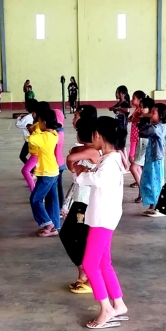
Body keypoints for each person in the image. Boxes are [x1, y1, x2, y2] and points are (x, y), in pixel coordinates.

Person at [73, 116, 129, 329]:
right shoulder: (111, 158)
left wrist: (81, 173)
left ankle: (106, 309)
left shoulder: (111, 162)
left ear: (98, 135)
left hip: (103, 219)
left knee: (89, 264)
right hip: (104, 216)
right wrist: (84, 172)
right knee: (104, 262)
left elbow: (97, 180)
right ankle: (118, 303)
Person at [61, 116, 99, 295]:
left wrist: (75, 166)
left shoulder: (93, 151)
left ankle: (87, 276)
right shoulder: (85, 149)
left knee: (81, 238)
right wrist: (76, 167)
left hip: (87, 202)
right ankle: (83, 271)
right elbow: (71, 158)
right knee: (68, 235)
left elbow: (71, 157)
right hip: (79, 200)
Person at [28, 102, 62, 237]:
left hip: (47, 173)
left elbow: (32, 139)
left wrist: (35, 128)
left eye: (40, 121)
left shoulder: (44, 137)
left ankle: (47, 223)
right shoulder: (53, 133)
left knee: (35, 199)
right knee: (52, 199)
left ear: (44, 123)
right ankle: (54, 226)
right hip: (52, 171)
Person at [139, 103, 166, 216]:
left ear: (161, 115)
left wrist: (143, 117)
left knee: (155, 183)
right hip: (150, 158)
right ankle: (152, 206)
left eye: (153, 113)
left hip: (156, 159)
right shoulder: (154, 125)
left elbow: (144, 132)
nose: (151, 115)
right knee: (148, 182)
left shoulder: (158, 127)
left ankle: (158, 207)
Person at [128, 91, 150, 201]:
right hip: (137, 140)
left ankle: (142, 190)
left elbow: (136, 119)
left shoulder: (143, 115)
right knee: (136, 166)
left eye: (134, 98)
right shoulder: (138, 112)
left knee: (134, 165)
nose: (132, 100)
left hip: (139, 141)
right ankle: (141, 188)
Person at [16, 96, 38, 165]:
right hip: (36, 139)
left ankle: (32, 169)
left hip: (29, 140)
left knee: (22, 156)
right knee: (35, 156)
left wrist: (19, 117)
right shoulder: (36, 115)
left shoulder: (28, 117)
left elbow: (18, 124)